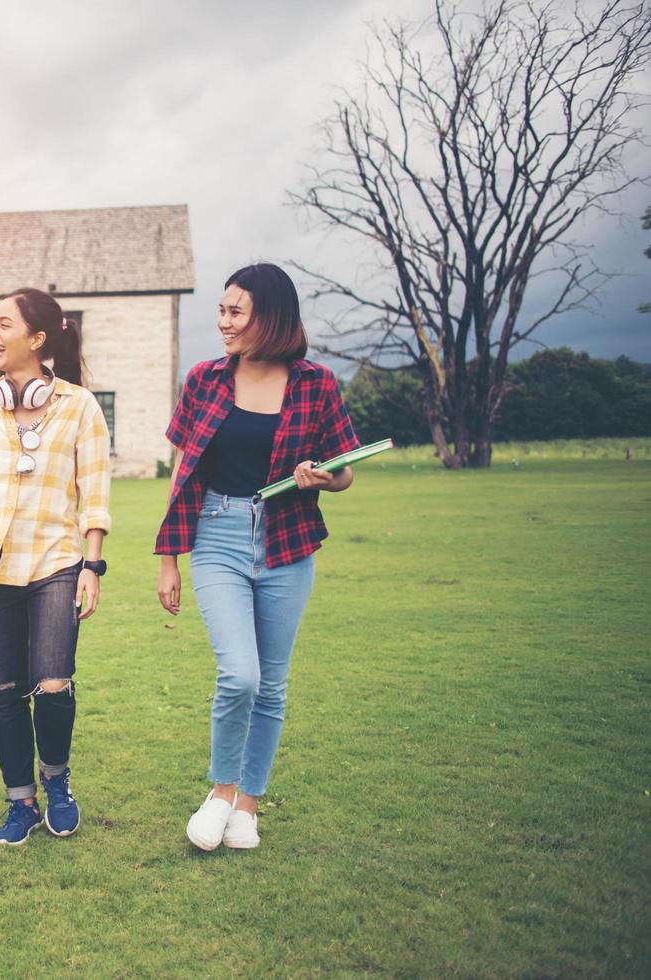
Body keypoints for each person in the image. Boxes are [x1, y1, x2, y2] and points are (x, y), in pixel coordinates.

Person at [155, 262, 361, 852]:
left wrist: (323, 478)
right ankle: (222, 791)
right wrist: (169, 556)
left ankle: (248, 807)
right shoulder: (204, 379)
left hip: (288, 541)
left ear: (268, 317)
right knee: (239, 674)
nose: (222, 322)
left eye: (234, 311)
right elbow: (181, 469)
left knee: (271, 685)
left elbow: (346, 469)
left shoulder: (316, 383)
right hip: (218, 533)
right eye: (221, 310)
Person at [0, 287, 112, 845]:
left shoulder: (79, 406)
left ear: (37, 339)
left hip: (57, 563)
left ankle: (57, 784)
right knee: (6, 692)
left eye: (4, 324)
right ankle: (21, 803)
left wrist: (93, 564)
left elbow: (96, 491)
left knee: (53, 684)